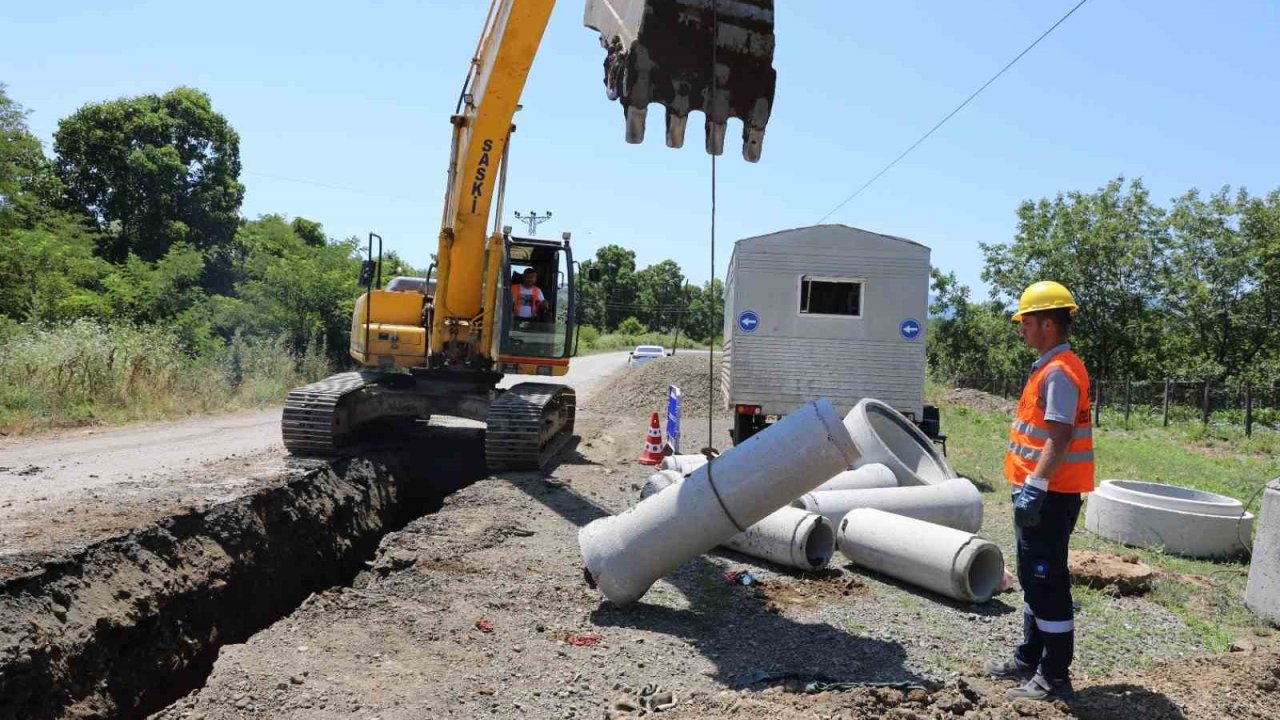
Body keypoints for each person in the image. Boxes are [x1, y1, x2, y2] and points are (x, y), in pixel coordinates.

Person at [984, 280, 1095, 702]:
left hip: (1049, 496)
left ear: (1047, 323)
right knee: (1033, 577)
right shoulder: (1050, 367)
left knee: (1047, 581)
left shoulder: (1060, 372)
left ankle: (1054, 675)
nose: (1021, 330)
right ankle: (1029, 657)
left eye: (1026, 322)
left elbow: (1060, 436)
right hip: (1041, 493)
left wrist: (1036, 486)